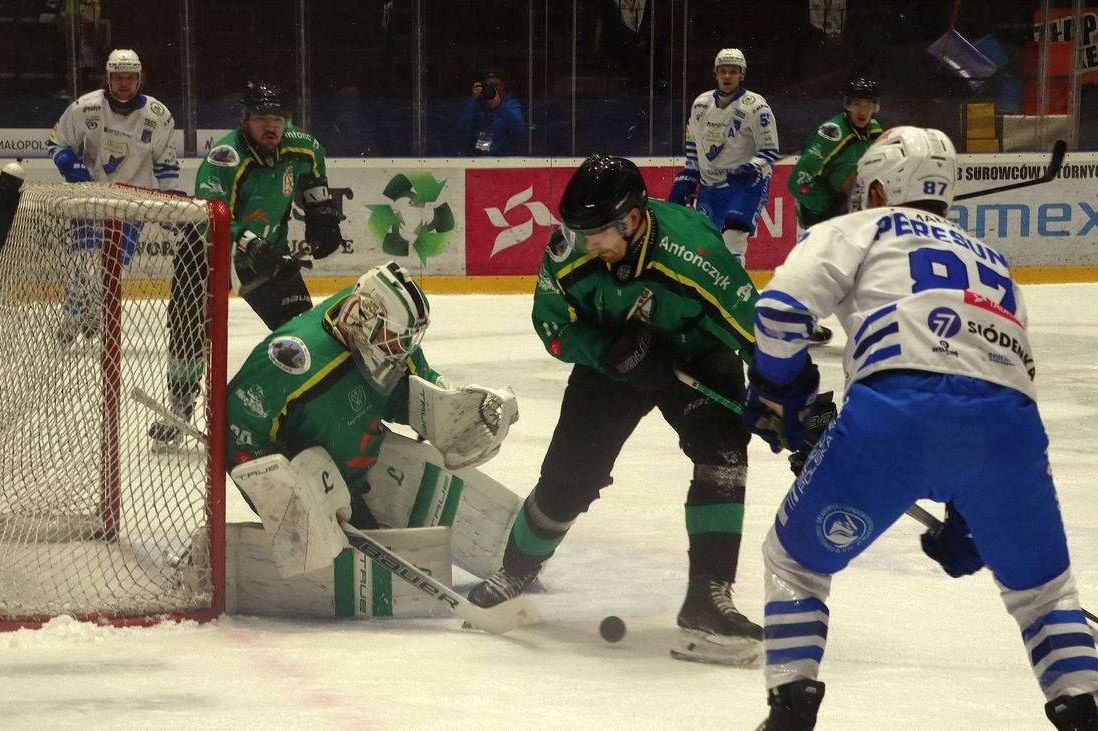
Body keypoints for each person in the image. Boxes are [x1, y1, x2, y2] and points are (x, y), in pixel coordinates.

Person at [743, 127, 1098, 730]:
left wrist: (786, 394)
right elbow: (1003, 374)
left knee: (795, 564)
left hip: (893, 417)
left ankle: (790, 712)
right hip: (1010, 431)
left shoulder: (854, 228)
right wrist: (971, 513)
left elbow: (779, 314)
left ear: (878, 186)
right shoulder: (994, 263)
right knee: (1045, 595)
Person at [468, 154, 765, 666]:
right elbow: (552, 326)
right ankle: (516, 569)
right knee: (567, 480)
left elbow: (754, 330)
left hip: (696, 355)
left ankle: (707, 602)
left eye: (599, 233)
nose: (588, 245)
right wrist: (607, 351)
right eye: (580, 232)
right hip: (613, 361)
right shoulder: (569, 250)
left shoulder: (694, 249)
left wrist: (790, 400)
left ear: (632, 219)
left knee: (723, 457)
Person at [222, 261, 512, 532]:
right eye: (398, 336)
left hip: (352, 473)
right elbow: (237, 423)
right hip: (307, 477)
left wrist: (440, 401)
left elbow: (410, 378)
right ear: (362, 317)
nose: (403, 348)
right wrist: (288, 497)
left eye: (409, 338)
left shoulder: (376, 333)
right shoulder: (295, 359)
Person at [148, 80, 347, 446]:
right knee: (187, 332)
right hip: (204, 252)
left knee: (302, 333)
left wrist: (323, 215)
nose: (271, 126)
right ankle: (180, 404)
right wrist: (252, 245)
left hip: (265, 252)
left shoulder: (304, 146)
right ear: (244, 120)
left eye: (278, 118)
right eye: (261, 118)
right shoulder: (226, 156)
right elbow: (211, 215)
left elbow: (315, 174)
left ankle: (302, 408)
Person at [47, 48, 181, 343]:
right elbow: (57, 143)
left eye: (129, 77)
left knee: (111, 263)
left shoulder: (158, 116)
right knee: (84, 258)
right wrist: (70, 164)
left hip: (133, 203)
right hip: (90, 197)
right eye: (118, 77)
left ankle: (93, 309)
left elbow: (166, 163)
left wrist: (170, 203)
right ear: (108, 78)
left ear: (139, 80)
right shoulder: (85, 107)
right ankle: (76, 315)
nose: (124, 82)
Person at [788, 75, 882, 345]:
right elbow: (798, 180)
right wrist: (827, 208)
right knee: (814, 270)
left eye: (868, 104)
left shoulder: (875, 131)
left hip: (847, 211)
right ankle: (800, 324)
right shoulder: (833, 133)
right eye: (857, 104)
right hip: (816, 212)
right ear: (847, 105)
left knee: (857, 269)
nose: (862, 111)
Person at [668, 48, 780, 268]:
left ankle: (736, 296)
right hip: (711, 186)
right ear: (716, 73)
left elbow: (770, 150)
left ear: (742, 75)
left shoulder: (756, 107)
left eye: (733, 71)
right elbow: (693, 141)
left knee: (732, 240)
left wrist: (752, 167)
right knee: (706, 247)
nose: (727, 76)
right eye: (723, 71)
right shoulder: (701, 104)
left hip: (747, 186)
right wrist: (690, 172)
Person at [456, 69, 526, 156]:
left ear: (503, 85)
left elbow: (519, 129)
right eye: (490, 85)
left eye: (497, 85)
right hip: (478, 159)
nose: (494, 88)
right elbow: (462, 129)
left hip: (503, 160)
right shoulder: (476, 104)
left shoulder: (511, 104)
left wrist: (499, 106)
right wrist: (473, 100)